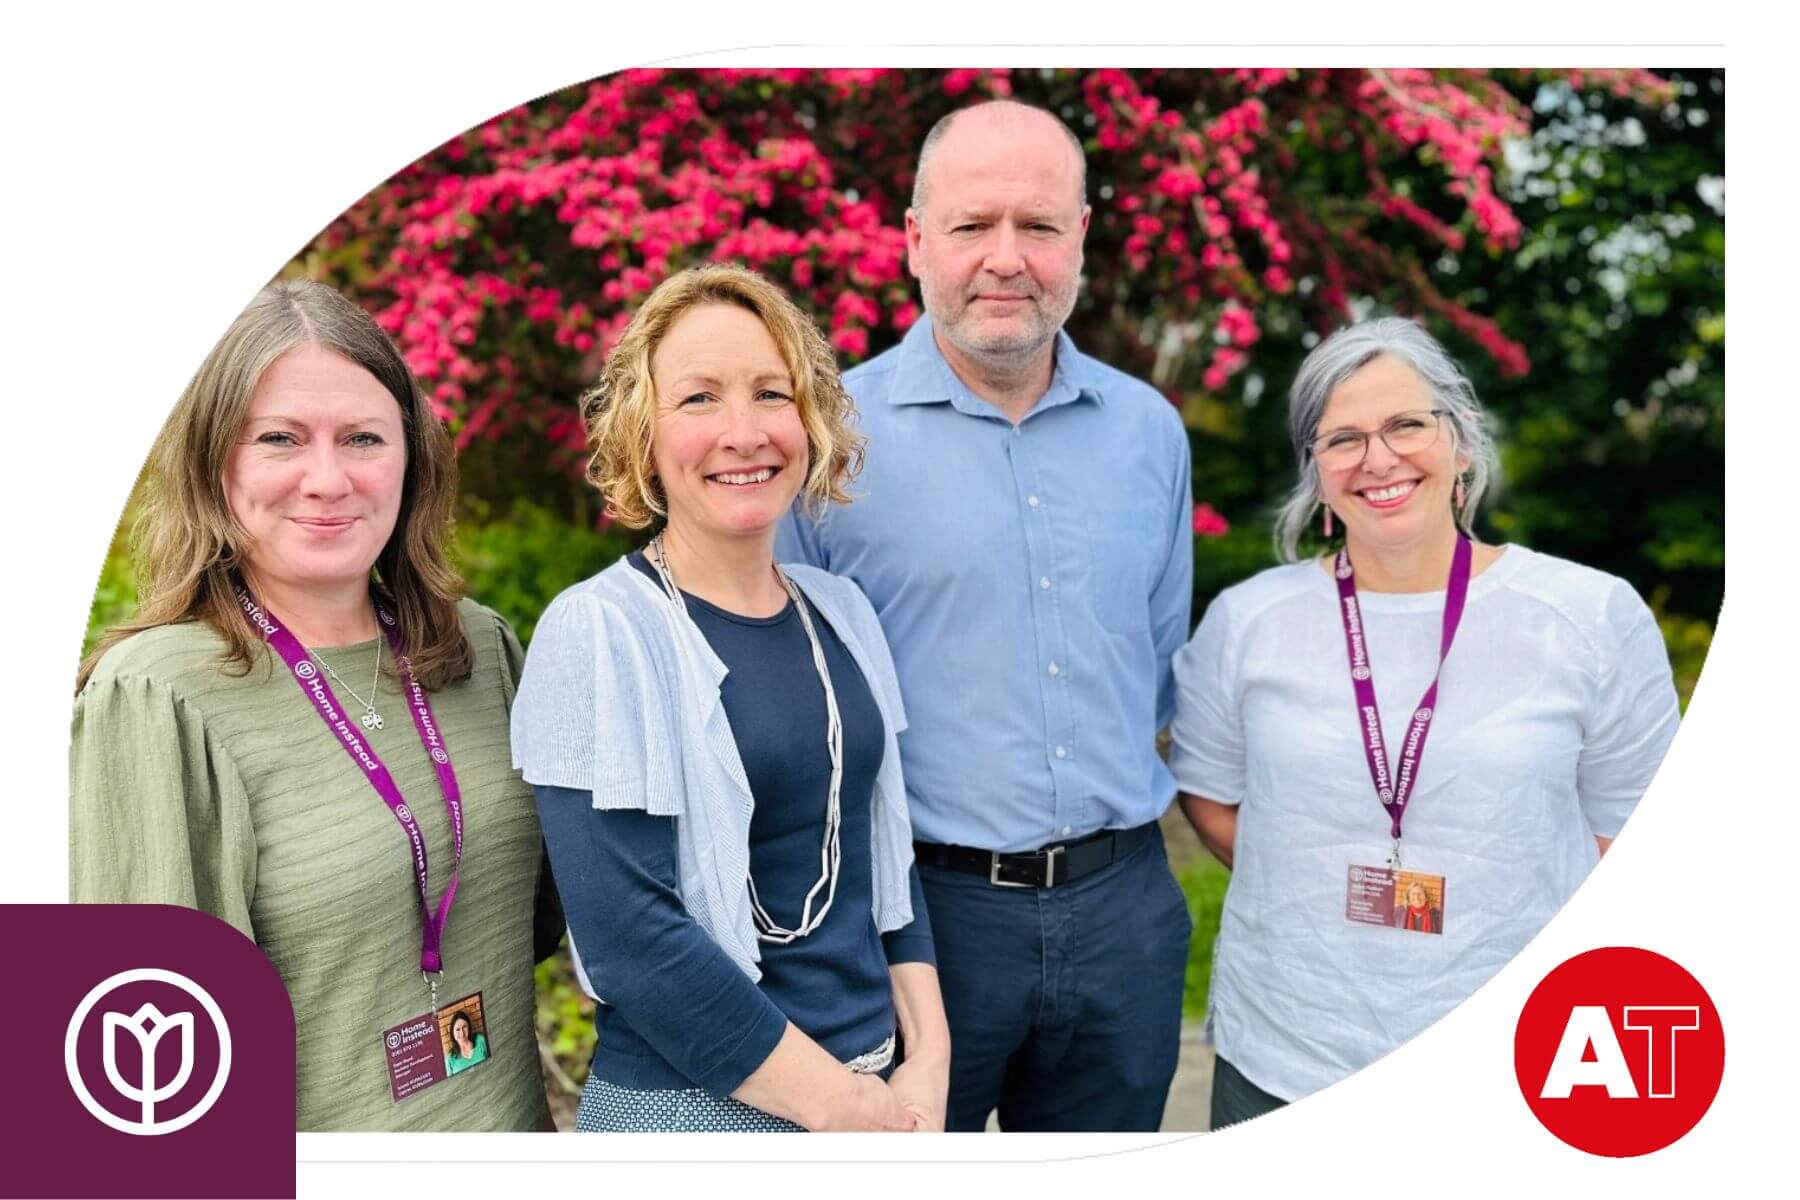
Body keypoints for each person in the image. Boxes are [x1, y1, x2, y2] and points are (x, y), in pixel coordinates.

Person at [776, 100, 1196, 1132]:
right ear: (916, 239)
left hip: (1124, 909)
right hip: (918, 920)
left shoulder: (1150, 432)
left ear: (1081, 239)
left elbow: (1158, 658)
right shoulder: (827, 442)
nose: (1006, 258)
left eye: (1039, 227)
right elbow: (791, 703)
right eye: (972, 226)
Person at [70, 280, 561, 1132]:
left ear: (412, 459)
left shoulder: (479, 648)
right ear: (215, 465)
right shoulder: (153, 696)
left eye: (364, 438)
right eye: (280, 439)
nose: (327, 479)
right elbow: (127, 1106)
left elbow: (538, 920)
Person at [1171, 316, 1681, 1129]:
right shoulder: (1247, 622)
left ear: (1463, 441)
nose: (1379, 459)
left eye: (1407, 424)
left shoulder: (1587, 615)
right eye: (1343, 438)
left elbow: (1636, 833)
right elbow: (1210, 793)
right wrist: (1310, 872)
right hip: (1285, 1057)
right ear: (1318, 473)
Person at [512, 263, 950, 1133]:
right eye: (699, 399)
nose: (742, 432)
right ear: (644, 434)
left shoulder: (844, 615)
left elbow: (882, 853)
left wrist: (930, 1060)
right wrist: (843, 1109)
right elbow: (632, 944)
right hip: (698, 1110)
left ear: (811, 419)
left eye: (770, 394)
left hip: (877, 1090)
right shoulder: (598, 632)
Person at [446, 1010, 490, 1075]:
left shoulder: (481, 1040)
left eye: (464, 1027)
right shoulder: (450, 1058)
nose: (462, 1033)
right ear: (452, 1033)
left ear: (469, 1027)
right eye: (458, 1029)